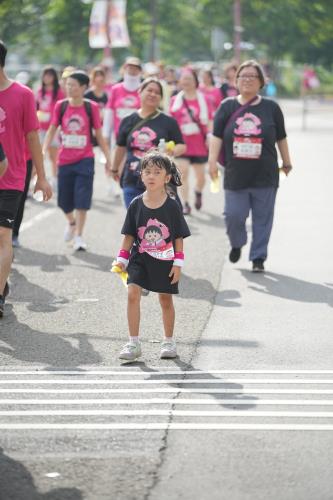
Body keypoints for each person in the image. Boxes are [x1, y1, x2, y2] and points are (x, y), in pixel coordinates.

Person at [208, 59, 292, 272]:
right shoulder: (227, 106)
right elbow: (216, 136)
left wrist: (287, 161)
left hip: (265, 173)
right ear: (236, 80)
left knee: (263, 219)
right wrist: (211, 162)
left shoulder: (271, 107)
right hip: (235, 173)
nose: (247, 80)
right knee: (233, 216)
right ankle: (237, 243)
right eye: (242, 76)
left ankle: (258, 257)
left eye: (252, 76)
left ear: (261, 82)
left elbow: (281, 137)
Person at [115, 150, 190, 361]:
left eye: (157, 172)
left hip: (165, 259)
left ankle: (168, 341)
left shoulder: (172, 205)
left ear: (167, 178)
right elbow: (129, 234)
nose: (151, 176)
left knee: (165, 300)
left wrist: (178, 263)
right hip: (139, 258)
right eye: (147, 171)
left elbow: (178, 237)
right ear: (141, 175)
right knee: (132, 294)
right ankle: (133, 343)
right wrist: (122, 259)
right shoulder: (136, 204)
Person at [0, 40, 52, 317]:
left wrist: (41, 177)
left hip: (12, 177)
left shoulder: (23, 94)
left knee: (3, 234)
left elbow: (33, 137)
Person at [43, 70, 112, 251]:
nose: (69, 88)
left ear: (83, 87)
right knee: (63, 201)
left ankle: (80, 235)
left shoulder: (91, 107)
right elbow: (52, 129)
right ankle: (71, 222)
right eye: (68, 84)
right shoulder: (61, 105)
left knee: (82, 200)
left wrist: (108, 157)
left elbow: (99, 134)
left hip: (85, 159)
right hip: (64, 159)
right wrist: (43, 149)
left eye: (73, 85)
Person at [111, 77, 186, 208]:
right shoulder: (128, 120)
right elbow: (120, 147)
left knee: (164, 224)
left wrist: (172, 151)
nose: (153, 94)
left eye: (157, 92)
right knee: (135, 223)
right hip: (132, 178)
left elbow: (182, 145)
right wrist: (114, 168)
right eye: (149, 90)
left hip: (161, 182)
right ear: (140, 92)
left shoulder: (168, 121)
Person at [170, 67, 212, 215]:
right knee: (183, 173)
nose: (186, 82)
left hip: (199, 144)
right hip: (181, 144)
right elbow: (170, 122)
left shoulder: (204, 99)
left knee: (201, 177)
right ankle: (185, 203)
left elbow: (210, 121)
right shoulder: (174, 101)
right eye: (184, 79)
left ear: (195, 82)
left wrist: (210, 137)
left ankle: (198, 191)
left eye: (189, 79)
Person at [103, 57, 142, 148]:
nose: (132, 70)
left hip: (139, 138)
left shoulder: (143, 89)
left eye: (136, 68)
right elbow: (109, 113)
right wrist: (106, 134)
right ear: (124, 69)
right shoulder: (115, 89)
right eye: (130, 67)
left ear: (140, 71)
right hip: (118, 136)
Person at [36, 67, 65, 191]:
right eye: (45, 75)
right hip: (40, 127)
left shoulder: (58, 92)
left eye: (49, 75)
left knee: (54, 156)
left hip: (53, 128)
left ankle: (55, 179)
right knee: (39, 155)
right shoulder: (39, 91)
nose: (47, 78)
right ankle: (38, 178)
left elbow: (61, 110)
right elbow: (35, 107)